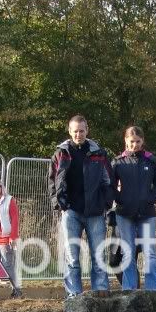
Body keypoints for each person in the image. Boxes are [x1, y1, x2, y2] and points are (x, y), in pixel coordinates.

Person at [47, 115, 113, 297]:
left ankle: (100, 289)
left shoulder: (99, 153)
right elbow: (52, 180)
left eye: (82, 130)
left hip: (95, 211)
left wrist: (106, 203)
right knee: (72, 256)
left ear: (87, 130)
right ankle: (73, 294)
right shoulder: (61, 153)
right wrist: (59, 204)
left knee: (98, 254)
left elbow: (108, 180)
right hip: (71, 211)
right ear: (70, 131)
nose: (78, 134)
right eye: (75, 131)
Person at [111, 126, 156, 291]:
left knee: (149, 253)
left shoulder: (152, 161)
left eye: (138, 141)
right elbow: (110, 186)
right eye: (131, 141)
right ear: (126, 141)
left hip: (147, 213)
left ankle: (153, 289)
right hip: (124, 213)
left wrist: (150, 199)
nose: (134, 145)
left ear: (143, 141)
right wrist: (120, 199)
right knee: (128, 253)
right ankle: (129, 288)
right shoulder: (117, 162)